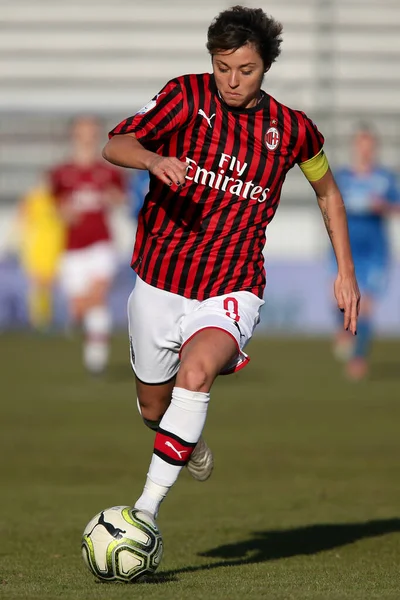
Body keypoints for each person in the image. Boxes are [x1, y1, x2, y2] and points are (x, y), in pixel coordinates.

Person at [102, 5, 360, 520]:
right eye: (223, 68)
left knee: (195, 375)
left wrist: (346, 272)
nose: (232, 80)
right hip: (160, 278)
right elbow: (117, 143)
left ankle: (143, 515)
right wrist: (154, 159)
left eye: (245, 70)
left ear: (266, 66)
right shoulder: (184, 96)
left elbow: (328, 192)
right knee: (156, 409)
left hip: (232, 284)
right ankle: (186, 441)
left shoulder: (293, 131)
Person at [49, 115, 127, 374]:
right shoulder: (61, 173)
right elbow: (55, 206)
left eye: (91, 131)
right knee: (83, 306)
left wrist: (112, 197)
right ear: (74, 134)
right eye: (82, 131)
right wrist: (65, 212)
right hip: (72, 248)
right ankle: (89, 344)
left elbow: (119, 201)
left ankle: (96, 361)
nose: (87, 136)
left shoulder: (109, 171)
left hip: (100, 244)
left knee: (97, 295)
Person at [332, 125, 400, 380]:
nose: (365, 150)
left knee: (366, 307)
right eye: (361, 145)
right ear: (355, 147)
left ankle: (358, 359)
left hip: (375, 252)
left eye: (370, 145)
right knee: (338, 299)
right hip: (345, 248)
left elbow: (397, 206)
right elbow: (330, 204)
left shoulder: (384, 178)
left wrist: (383, 206)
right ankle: (344, 331)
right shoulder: (343, 178)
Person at [17, 180, 65, 331]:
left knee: (49, 285)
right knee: (37, 284)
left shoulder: (58, 199)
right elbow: (22, 216)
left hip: (54, 247)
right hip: (37, 246)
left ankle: (47, 319)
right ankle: (36, 319)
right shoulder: (35, 199)